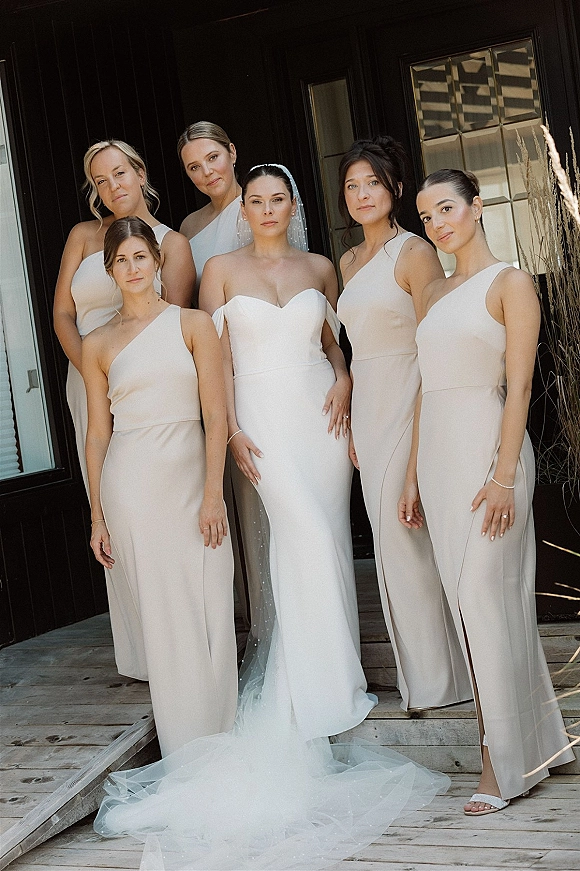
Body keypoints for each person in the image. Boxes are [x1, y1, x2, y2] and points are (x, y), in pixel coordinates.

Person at [93, 166, 449, 871]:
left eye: (276, 199)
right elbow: (212, 360)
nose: (265, 208)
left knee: (324, 538)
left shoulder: (321, 266)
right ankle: (314, 690)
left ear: (292, 206)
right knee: (304, 535)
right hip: (259, 422)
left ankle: (334, 672)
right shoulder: (220, 271)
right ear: (245, 210)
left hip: (320, 417)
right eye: (254, 200)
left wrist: (343, 378)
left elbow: (335, 343)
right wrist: (228, 431)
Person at [400, 168, 575, 815]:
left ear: (476, 206)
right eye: (426, 216)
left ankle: (498, 761)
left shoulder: (510, 283)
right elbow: (425, 387)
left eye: (446, 208)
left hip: (489, 455)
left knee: (484, 603)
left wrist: (503, 476)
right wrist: (412, 473)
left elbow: (519, 386)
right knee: (470, 606)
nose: (437, 224)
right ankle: (540, 743)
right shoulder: (433, 291)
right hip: (439, 461)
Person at [82, 216, 237, 757]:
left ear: (157, 261)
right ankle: (184, 746)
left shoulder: (193, 324)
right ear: (110, 271)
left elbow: (216, 416)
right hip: (132, 485)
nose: (132, 268)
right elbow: (97, 434)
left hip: (192, 480)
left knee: (209, 601)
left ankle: (221, 735)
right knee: (163, 613)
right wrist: (97, 515)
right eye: (120, 261)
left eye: (140, 257)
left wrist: (214, 494)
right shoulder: (97, 343)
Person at [337, 136, 471, 710]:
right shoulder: (347, 261)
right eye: (351, 186)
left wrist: (418, 450)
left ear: (394, 187)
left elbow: (432, 344)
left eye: (373, 182)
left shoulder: (414, 252)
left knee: (409, 535)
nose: (362, 194)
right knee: (390, 546)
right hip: (367, 408)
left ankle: (443, 681)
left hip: (408, 396)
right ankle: (424, 678)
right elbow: (353, 349)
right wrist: (350, 416)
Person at [53, 139, 195, 680]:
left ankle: (176, 634)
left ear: (140, 172)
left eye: (119, 173)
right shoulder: (82, 237)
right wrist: (94, 372)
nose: (112, 186)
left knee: (154, 502)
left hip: (148, 389)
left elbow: (173, 322)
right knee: (111, 502)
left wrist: (123, 374)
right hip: (90, 378)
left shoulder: (171, 242)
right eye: (100, 180)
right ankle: (139, 648)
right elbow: (63, 313)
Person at [178, 121, 268, 635]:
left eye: (212, 157)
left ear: (232, 152)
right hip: (212, 360)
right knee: (232, 490)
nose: (206, 171)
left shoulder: (258, 202)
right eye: (193, 166)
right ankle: (253, 615)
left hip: (259, 356)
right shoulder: (189, 226)